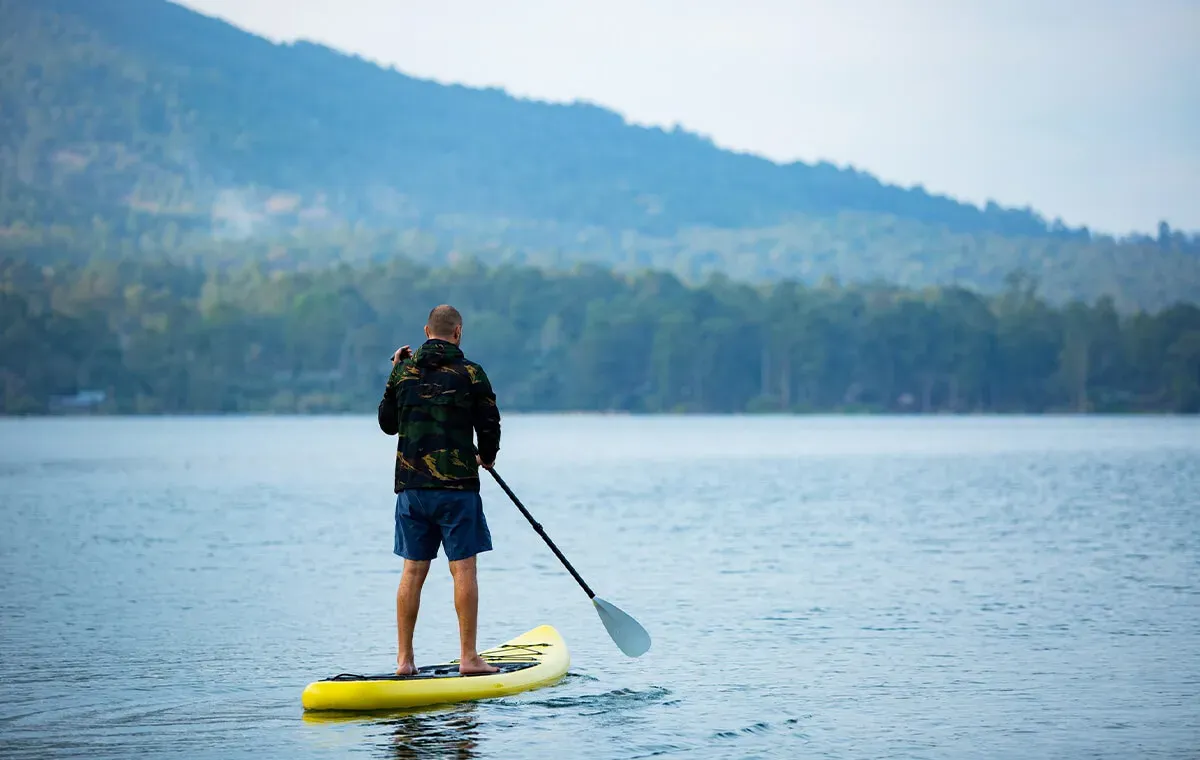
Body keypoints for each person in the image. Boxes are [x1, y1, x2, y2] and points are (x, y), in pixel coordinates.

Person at [377, 304, 502, 676]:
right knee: (463, 570)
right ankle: (468, 658)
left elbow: (386, 423)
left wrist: (395, 371)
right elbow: (490, 423)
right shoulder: (472, 374)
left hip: (412, 489)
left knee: (412, 572)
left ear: (426, 331)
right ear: (458, 332)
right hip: (458, 488)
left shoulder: (404, 371)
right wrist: (488, 456)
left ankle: (404, 661)